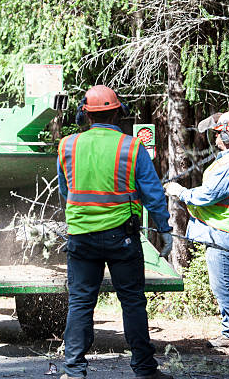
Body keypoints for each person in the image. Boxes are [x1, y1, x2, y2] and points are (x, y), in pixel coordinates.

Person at [57, 85, 173, 379]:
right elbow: (153, 194)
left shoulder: (67, 146)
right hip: (122, 237)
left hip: (81, 237)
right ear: (118, 113)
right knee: (132, 301)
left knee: (81, 302)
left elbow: (64, 191)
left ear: (85, 114)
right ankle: (145, 370)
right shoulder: (132, 147)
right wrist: (165, 229)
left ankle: (73, 370)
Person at [163, 111, 229, 355]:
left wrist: (180, 192)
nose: (214, 139)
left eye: (217, 134)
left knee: (225, 287)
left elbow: (208, 195)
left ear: (226, 134)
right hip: (224, 231)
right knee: (221, 285)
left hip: (224, 233)